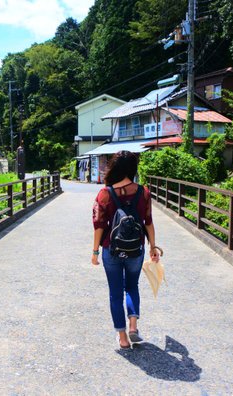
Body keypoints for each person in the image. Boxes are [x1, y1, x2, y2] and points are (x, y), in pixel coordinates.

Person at [91, 150, 160, 350]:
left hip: (110, 250)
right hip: (135, 249)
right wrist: (153, 247)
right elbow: (148, 221)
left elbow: (99, 225)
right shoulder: (143, 192)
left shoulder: (105, 193)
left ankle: (122, 338)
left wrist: (95, 252)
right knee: (132, 286)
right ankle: (133, 326)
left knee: (115, 293)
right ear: (132, 168)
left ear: (115, 168)